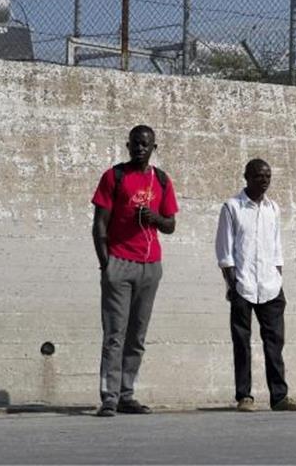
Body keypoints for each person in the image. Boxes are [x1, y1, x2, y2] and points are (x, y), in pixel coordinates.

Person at [91, 125, 179, 417]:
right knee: (115, 334)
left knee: (137, 336)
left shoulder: (162, 180)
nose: (140, 148)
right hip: (119, 263)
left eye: (146, 144)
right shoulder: (114, 176)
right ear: (127, 145)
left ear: (155, 148)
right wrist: (107, 265)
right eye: (136, 143)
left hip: (150, 266)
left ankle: (127, 395)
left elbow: (170, 225)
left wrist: (154, 218)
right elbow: (100, 224)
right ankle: (109, 397)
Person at [216, 159, 296, 412]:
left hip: (270, 286)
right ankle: (244, 396)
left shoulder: (273, 208)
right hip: (242, 284)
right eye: (258, 176)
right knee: (242, 343)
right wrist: (231, 284)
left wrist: (278, 276)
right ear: (246, 177)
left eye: (267, 176)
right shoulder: (232, 207)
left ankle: (279, 397)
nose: (264, 180)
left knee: (275, 343)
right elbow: (225, 250)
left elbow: (276, 248)